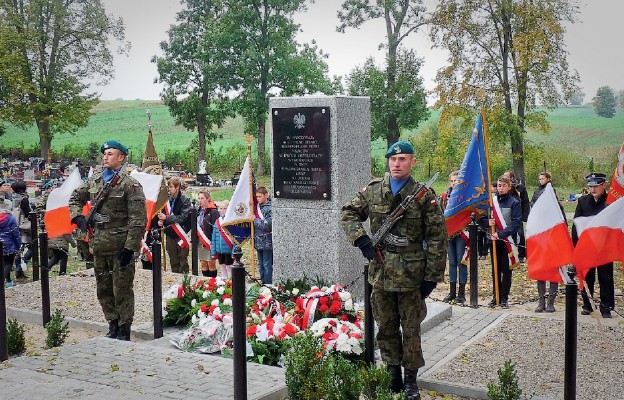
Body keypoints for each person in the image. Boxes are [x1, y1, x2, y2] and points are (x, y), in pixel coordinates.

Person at [341, 141, 448, 399]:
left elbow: (437, 238)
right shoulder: (374, 190)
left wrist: (432, 277)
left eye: (403, 159)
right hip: (381, 275)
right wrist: (361, 239)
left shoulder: (424, 196)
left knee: (411, 328)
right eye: (393, 160)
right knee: (386, 326)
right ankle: (392, 374)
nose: (397, 164)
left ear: (412, 162)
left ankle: (411, 380)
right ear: (387, 162)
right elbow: (348, 213)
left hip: (412, 276)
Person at [69, 140, 146, 341]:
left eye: (110, 154)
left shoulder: (130, 184)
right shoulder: (94, 181)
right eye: (104, 154)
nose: (105, 157)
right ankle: (112, 323)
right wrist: (78, 217)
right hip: (99, 244)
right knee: (103, 288)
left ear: (121, 157)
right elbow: (75, 198)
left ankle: (124, 328)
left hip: (120, 245)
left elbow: (138, 220)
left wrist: (130, 247)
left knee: (121, 289)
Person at [572, 173, 614, 318]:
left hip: (605, 248)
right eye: (590, 186)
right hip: (587, 246)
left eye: (596, 186)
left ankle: (606, 307)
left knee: (605, 277)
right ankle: (587, 304)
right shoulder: (583, 202)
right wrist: (575, 246)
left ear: (604, 185)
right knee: (587, 276)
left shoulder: (611, 201)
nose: (593, 189)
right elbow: (576, 224)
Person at [481, 176, 522, 309]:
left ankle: (504, 298)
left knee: (506, 270)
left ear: (509, 187)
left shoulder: (514, 203)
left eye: (503, 186)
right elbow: (482, 219)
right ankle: (496, 296)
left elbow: (516, 223)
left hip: (507, 242)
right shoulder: (491, 203)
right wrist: (488, 222)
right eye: (499, 185)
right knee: (495, 270)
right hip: (493, 241)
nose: (500, 188)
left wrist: (500, 234)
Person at [530, 172, 563, 312]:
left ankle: (551, 302)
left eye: (542, 178)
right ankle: (541, 301)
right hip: (540, 242)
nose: (540, 180)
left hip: (553, 243)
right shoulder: (537, 193)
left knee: (553, 272)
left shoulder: (555, 203)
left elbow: (562, 225)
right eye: (539, 178)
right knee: (541, 271)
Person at [442, 171, 468, 304]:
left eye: (456, 181)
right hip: (449, 234)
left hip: (461, 234)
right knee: (452, 263)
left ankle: (461, 293)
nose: (453, 184)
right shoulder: (445, 196)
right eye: (451, 181)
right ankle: (452, 292)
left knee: (461, 262)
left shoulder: (464, 196)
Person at [157, 177, 191, 274]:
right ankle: (175, 278)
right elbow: (164, 214)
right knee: (173, 259)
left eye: (171, 187)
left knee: (182, 260)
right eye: (168, 187)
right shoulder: (168, 200)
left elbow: (182, 217)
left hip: (181, 234)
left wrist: (166, 218)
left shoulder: (185, 200)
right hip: (170, 233)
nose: (169, 189)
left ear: (177, 187)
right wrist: (161, 221)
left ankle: (184, 281)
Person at [503, 170, 530, 262]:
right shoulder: (503, 188)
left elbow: (525, 202)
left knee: (520, 234)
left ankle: (522, 254)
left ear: (511, 178)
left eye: (506, 177)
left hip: (517, 215)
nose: (505, 178)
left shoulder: (520, 187)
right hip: (507, 216)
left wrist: (525, 216)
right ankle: (509, 253)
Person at [11, 180, 32, 279]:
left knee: (18, 249)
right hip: (24, 226)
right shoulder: (24, 199)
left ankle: (18, 271)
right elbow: (28, 213)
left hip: (14, 225)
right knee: (33, 246)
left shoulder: (12, 198)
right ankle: (22, 265)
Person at [197, 190, 220, 277]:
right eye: (199, 198)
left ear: (208, 199)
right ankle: (205, 283)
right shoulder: (198, 211)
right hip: (200, 240)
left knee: (211, 263)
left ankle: (212, 283)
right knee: (203, 264)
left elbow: (216, 227)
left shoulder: (213, 211)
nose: (200, 200)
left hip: (209, 241)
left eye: (202, 198)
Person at [254, 187, 273, 284]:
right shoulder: (257, 207)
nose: (258, 199)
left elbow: (267, 225)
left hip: (267, 242)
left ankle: (268, 284)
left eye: (260, 196)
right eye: (256, 197)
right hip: (258, 241)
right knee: (261, 265)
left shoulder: (270, 208)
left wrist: (255, 220)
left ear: (266, 195)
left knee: (267, 265)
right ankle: (263, 282)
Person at [0, 198, 21, 288]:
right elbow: (15, 233)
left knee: (2, 263)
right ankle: (7, 281)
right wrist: (19, 244)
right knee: (8, 263)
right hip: (9, 244)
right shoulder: (10, 218)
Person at [211, 201, 234, 278]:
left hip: (228, 249)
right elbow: (214, 237)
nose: (222, 210)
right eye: (221, 208)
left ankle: (230, 283)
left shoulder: (231, 221)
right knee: (222, 266)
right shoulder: (217, 221)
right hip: (220, 249)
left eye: (225, 208)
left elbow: (235, 238)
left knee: (229, 267)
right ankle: (224, 282)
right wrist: (213, 250)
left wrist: (234, 251)